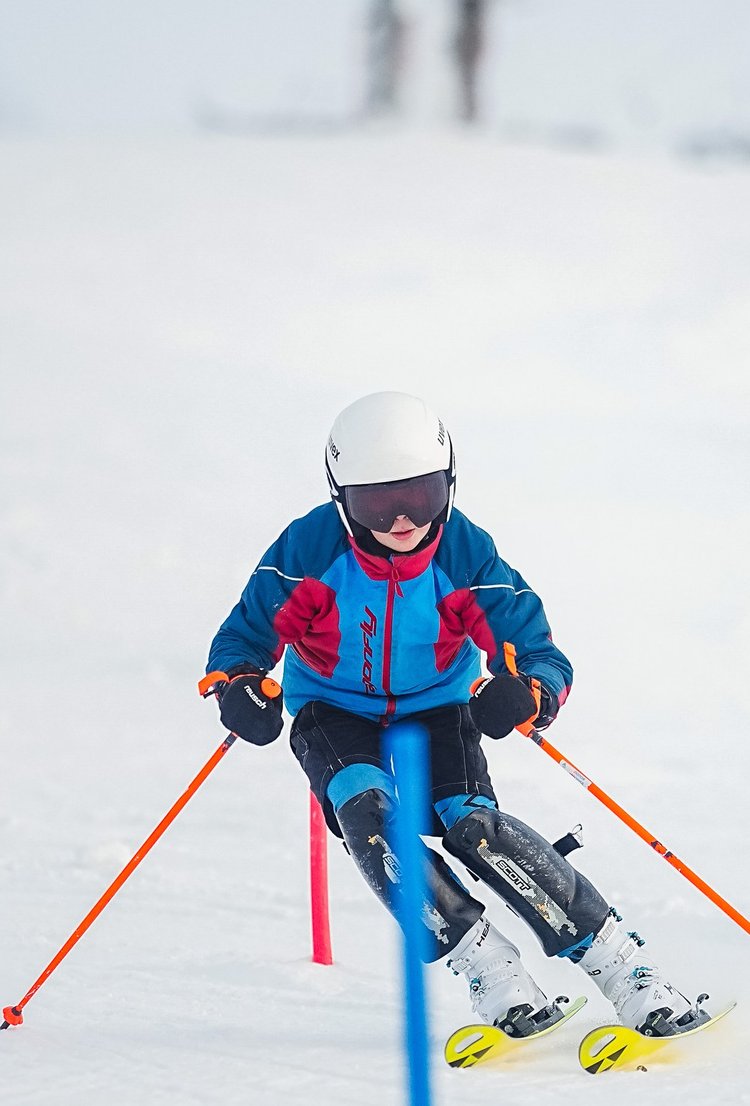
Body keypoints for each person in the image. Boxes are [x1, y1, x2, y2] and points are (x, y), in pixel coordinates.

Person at [201, 392, 712, 1040]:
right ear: (342, 497)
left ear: (448, 480)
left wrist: (528, 690)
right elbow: (247, 633)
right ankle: (492, 971)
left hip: (437, 702)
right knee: (368, 814)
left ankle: (627, 971)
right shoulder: (310, 549)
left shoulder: (463, 554)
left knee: (473, 827)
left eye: (421, 493)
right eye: (378, 503)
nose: (404, 519)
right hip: (331, 705)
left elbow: (535, 647)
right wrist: (240, 685)